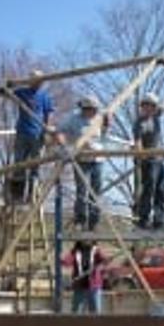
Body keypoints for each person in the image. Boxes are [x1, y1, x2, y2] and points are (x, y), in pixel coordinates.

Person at [56, 95, 110, 231]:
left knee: (96, 191)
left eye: (93, 109)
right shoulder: (73, 118)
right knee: (82, 190)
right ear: (83, 108)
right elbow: (59, 131)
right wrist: (65, 146)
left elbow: (105, 135)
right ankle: (80, 220)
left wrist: (107, 124)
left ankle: (94, 222)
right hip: (81, 160)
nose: (90, 112)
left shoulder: (99, 118)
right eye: (87, 109)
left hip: (97, 159)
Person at [132, 88, 164, 230]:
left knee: (161, 190)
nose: (150, 108)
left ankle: (159, 219)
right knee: (149, 189)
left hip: (159, 159)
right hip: (148, 160)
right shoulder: (139, 123)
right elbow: (138, 141)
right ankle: (143, 219)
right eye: (147, 105)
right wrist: (141, 155)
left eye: (152, 106)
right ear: (143, 106)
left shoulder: (156, 116)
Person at [11, 69, 54, 202]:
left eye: (39, 81)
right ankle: (17, 195)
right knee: (19, 164)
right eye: (35, 81)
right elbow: (7, 91)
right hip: (23, 132)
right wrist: (8, 83)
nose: (37, 84)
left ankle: (32, 195)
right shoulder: (22, 92)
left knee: (36, 166)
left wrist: (46, 132)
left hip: (38, 133)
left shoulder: (44, 96)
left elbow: (48, 115)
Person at [61, 240, 107, 314]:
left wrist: (104, 262)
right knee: (77, 311)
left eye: (88, 239)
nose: (86, 241)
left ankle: (95, 325)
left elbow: (104, 261)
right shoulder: (75, 251)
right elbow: (67, 262)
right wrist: (62, 259)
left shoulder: (96, 251)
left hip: (94, 286)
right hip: (80, 285)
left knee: (95, 311)